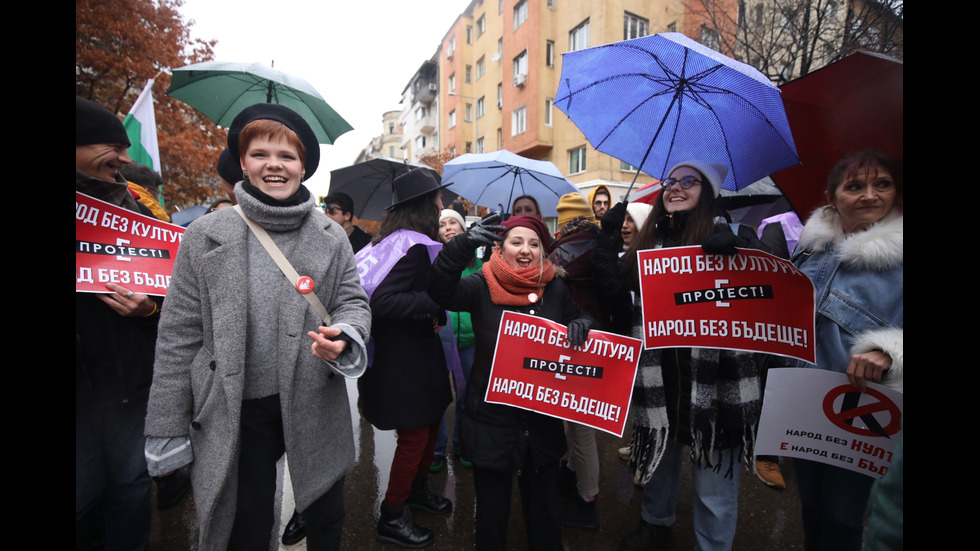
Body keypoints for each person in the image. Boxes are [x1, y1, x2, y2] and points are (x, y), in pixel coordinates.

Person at [143, 103, 371, 551]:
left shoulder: (331, 235)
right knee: (244, 526)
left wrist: (344, 334)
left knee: (327, 520)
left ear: (303, 166)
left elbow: (352, 301)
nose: (274, 165)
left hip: (313, 397)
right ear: (243, 162)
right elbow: (178, 337)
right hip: (237, 408)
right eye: (261, 153)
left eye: (287, 156)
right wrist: (167, 424)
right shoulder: (203, 236)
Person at [614, 160, 768, 551]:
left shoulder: (732, 236)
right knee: (659, 461)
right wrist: (608, 236)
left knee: (714, 486)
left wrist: (746, 251)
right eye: (670, 181)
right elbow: (619, 286)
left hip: (716, 382)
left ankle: (712, 545)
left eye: (689, 182)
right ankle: (655, 524)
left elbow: (772, 282)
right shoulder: (651, 242)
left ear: (708, 194)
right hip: (661, 376)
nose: (675, 188)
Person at [427, 214, 596, 551]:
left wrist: (582, 324)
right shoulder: (480, 285)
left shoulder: (556, 287)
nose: (525, 250)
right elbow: (440, 291)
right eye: (516, 242)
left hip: (541, 423)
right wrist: (462, 244)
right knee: (491, 515)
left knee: (545, 513)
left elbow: (582, 314)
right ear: (500, 248)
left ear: (543, 252)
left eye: (534, 244)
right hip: (492, 421)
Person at [788, 150, 903, 551]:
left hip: (862, 407)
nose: (870, 195)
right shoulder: (809, 251)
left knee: (842, 514)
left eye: (882, 184)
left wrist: (889, 352)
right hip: (802, 400)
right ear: (831, 198)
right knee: (811, 504)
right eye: (855, 186)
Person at [76, 95, 160, 551]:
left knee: (130, 489)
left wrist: (149, 310)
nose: (125, 161)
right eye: (113, 147)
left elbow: (172, 298)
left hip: (130, 384)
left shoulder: (136, 209)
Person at [355, 168, 454, 548]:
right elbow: (383, 301)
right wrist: (436, 301)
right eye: (438, 199)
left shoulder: (394, 242)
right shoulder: (409, 247)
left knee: (429, 426)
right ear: (425, 205)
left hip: (417, 357)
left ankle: (416, 492)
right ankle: (392, 514)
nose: (442, 205)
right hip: (403, 363)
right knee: (414, 436)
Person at [546, 192, 605, 531]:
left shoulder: (563, 252)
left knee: (582, 432)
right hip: (596, 342)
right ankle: (573, 476)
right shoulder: (601, 244)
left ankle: (587, 500)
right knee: (581, 428)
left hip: (578, 345)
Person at [431, 208, 481, 473]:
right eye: (443, 224)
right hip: (440, 341)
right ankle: (437, 450)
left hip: (471, 341)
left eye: (454, 223)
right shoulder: (430, 259)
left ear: (464, 230)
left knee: (466, 397)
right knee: (439, 397)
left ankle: (462, 445)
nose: (448, 228)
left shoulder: (479, 263)